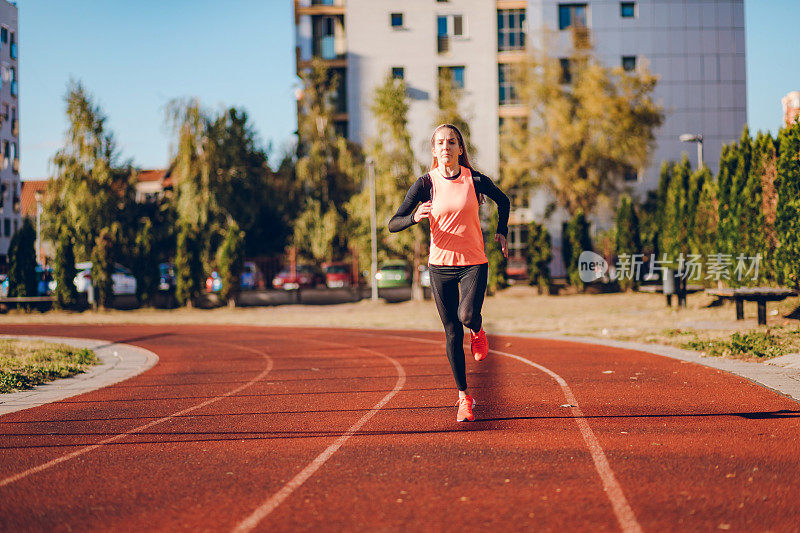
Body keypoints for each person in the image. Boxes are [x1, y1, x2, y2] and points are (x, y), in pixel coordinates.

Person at [388, 124, 510, 422]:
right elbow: (393, 222)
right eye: (440, 142)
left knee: (467, 315)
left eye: (451, 142)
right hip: (440, 266)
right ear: (434, 150)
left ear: (460, 149)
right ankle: (463, 397)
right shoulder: (424, 184)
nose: (446, 146)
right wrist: (414, 216)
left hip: (473, 262)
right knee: (452, 331)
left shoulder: (475, 179)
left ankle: (478, 331)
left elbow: (503, 201)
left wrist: (502, 231)